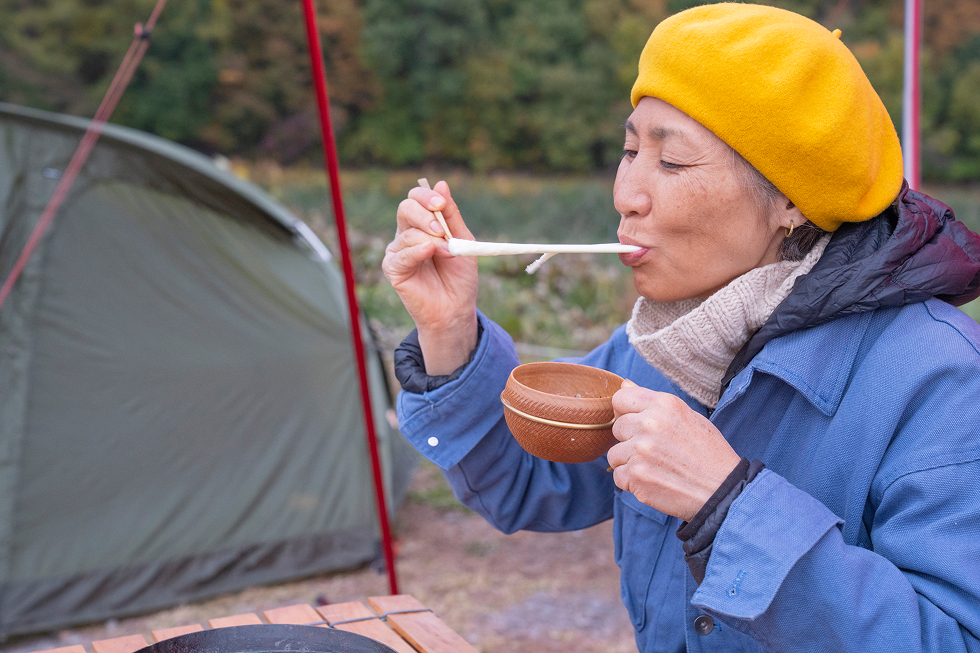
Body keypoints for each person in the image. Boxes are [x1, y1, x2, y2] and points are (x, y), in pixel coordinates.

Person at [382, 4, 980, 651]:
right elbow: (530, 483)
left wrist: (728, 505)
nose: (626, 194)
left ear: (790, 200)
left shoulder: (940, 380)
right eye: (631, 149)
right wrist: (449, 332)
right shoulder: (663, 343)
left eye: (670, 163)